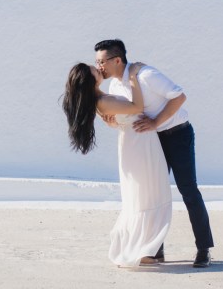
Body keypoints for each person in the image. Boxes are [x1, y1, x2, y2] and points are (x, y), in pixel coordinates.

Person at [95, 39, 214, 268]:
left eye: (102, 62)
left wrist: (155, 122)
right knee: (151, 194)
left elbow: (179, 96)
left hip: (177, 134)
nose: (99, 66)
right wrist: (113, 122)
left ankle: (203, 248)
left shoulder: (145, 74)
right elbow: (129, 117)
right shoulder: (114, 87)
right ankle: (153, 250)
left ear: (117, 59)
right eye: (97, 62)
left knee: (188, 190)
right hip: (150, 142)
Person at [63, 62, 172, 267]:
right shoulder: (102, 100)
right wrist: (132, 77)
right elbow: (137, 107)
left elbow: (124, 116)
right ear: (89, 79)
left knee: (145, 195)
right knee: (145, 196)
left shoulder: (101, 99)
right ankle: (142, 251)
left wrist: (115, 122)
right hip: (139, 143)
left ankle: (148, 249)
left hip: (138, 140)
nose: (98, 68)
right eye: (94, 68)